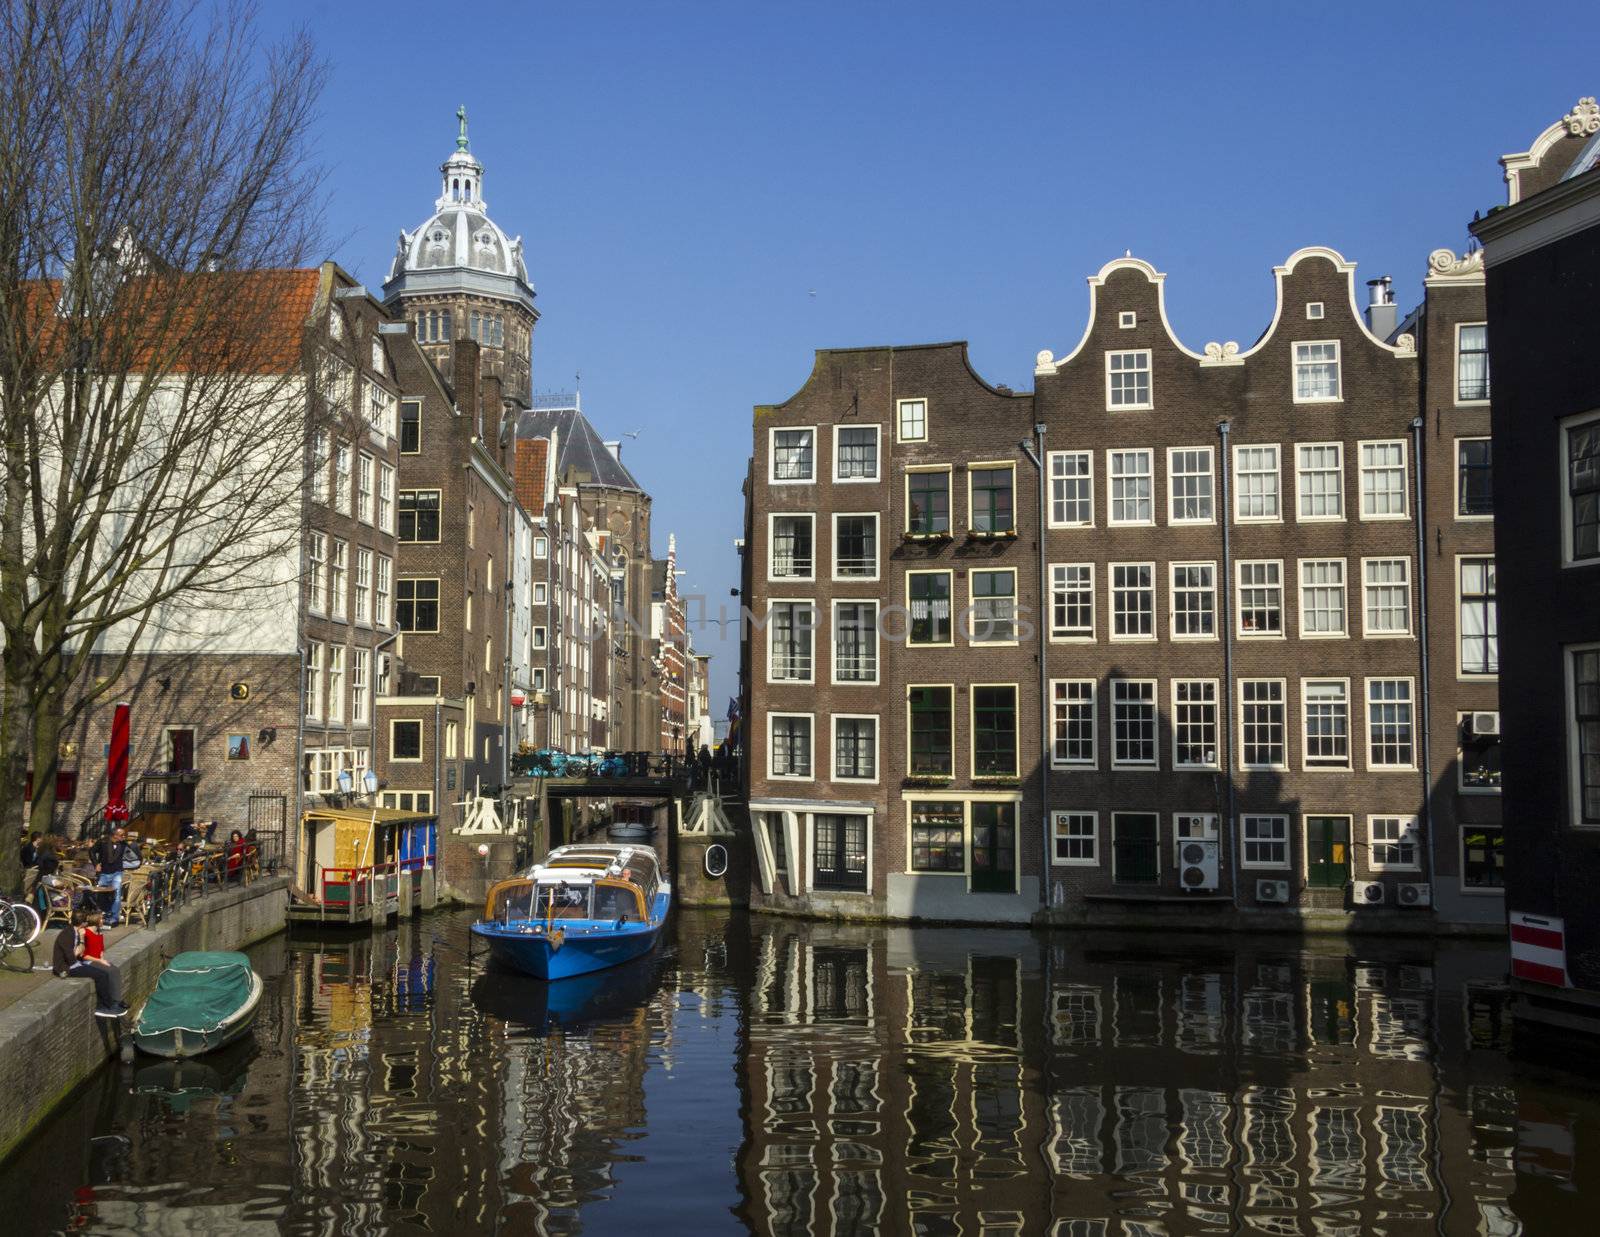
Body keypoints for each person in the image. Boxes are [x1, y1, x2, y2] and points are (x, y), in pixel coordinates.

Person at [51, 910, 126, 1017]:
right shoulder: (66, 935)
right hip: (66, 967)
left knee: (102, 973)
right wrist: (81, 941)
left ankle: (109, 1004)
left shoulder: (76, 932)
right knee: (101, 975)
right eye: (86, 921)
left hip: (75, 963)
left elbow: (80, 952)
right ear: (82, 923)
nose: (87, 923)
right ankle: (104, 1007)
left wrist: (81, 941)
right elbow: (72, 957)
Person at [93, 826, 131, 926]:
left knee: (117, 895)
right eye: (122, 835)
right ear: (115, 835)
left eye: (124, 835)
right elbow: (91, 851)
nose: (124, 837)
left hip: (117, 872)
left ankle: (114, 918)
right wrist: (96, 863)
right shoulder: (102, 842)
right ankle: (104, 915)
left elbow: (131, 854)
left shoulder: (124, 844)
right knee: (102, 894)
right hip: (104, 872)